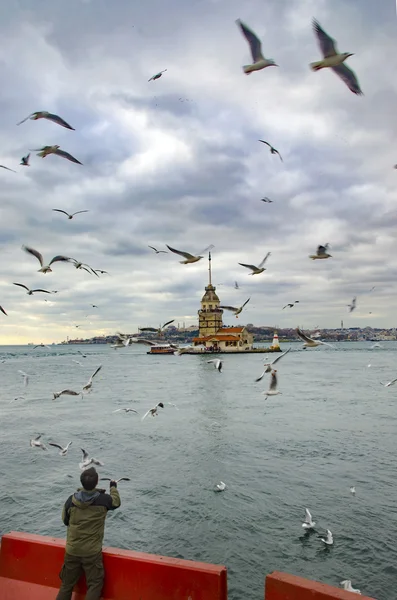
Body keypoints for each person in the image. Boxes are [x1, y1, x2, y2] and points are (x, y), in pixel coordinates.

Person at [56, 466, 121, 600]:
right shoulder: (104, 500)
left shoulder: (71, 501)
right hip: (92, 552)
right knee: (95, 583)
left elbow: (65, 520)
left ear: (81, 483)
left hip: (72, 550)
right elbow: (116, 502)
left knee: (66, 585)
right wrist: (113, 487)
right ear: (97, 482)